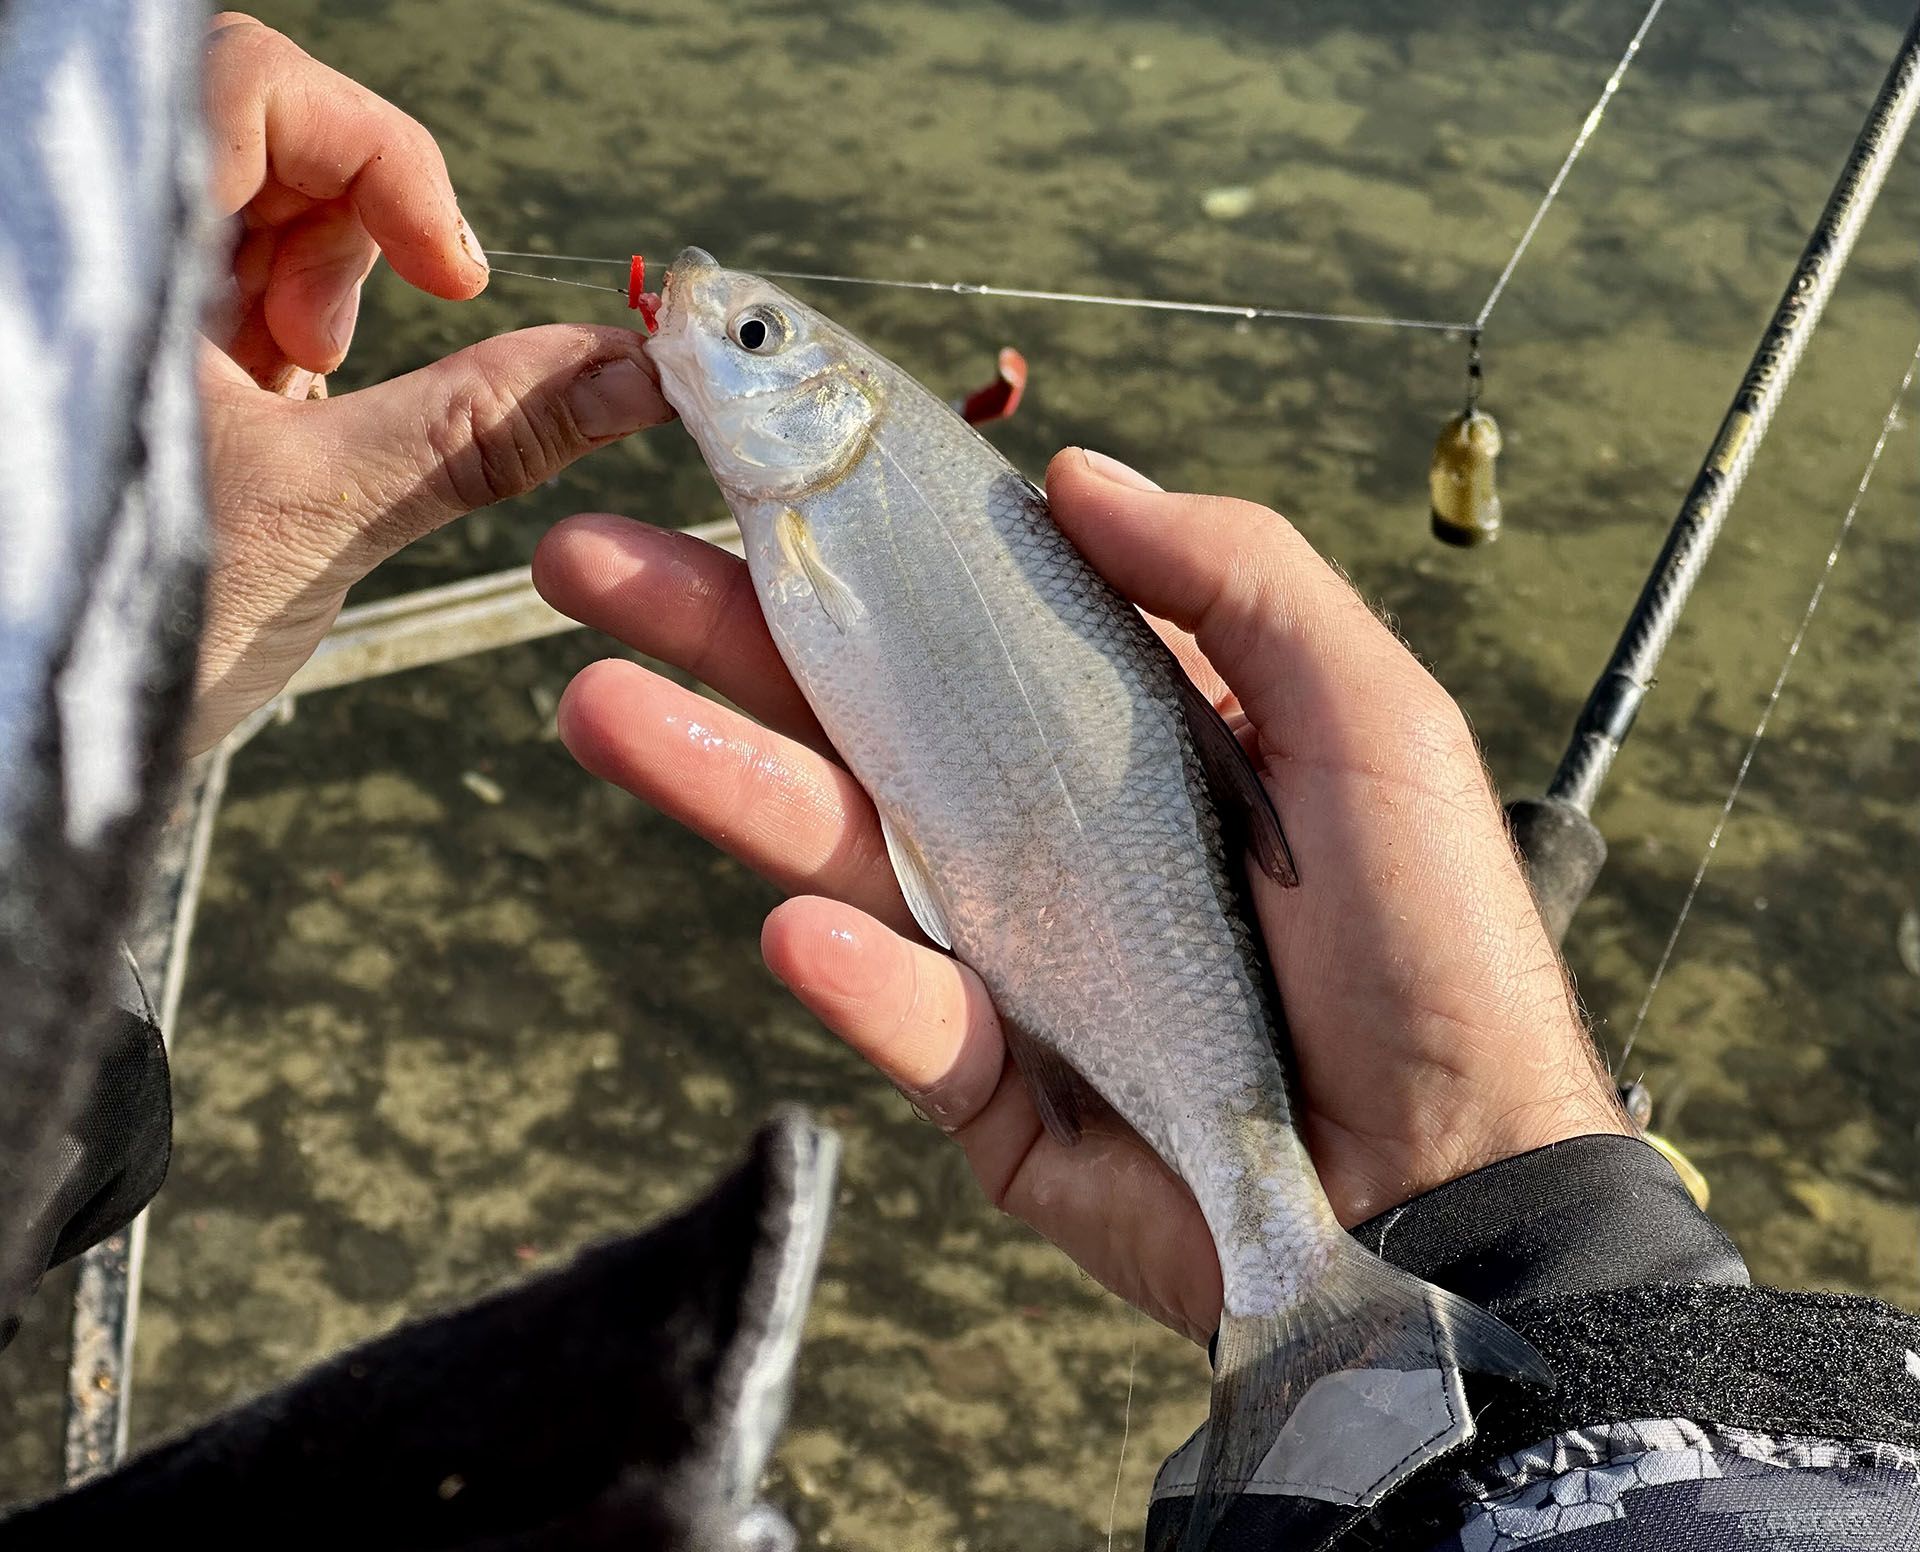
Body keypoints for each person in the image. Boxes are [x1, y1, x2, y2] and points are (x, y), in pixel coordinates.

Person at [5, 7, 1916, 1549]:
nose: (711, 331)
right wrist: (1542, 1223)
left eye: (752, 338)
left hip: (1165, 1025)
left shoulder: (839, 499)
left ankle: (1311, 1304)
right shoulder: (825, 497)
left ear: (818, 407)